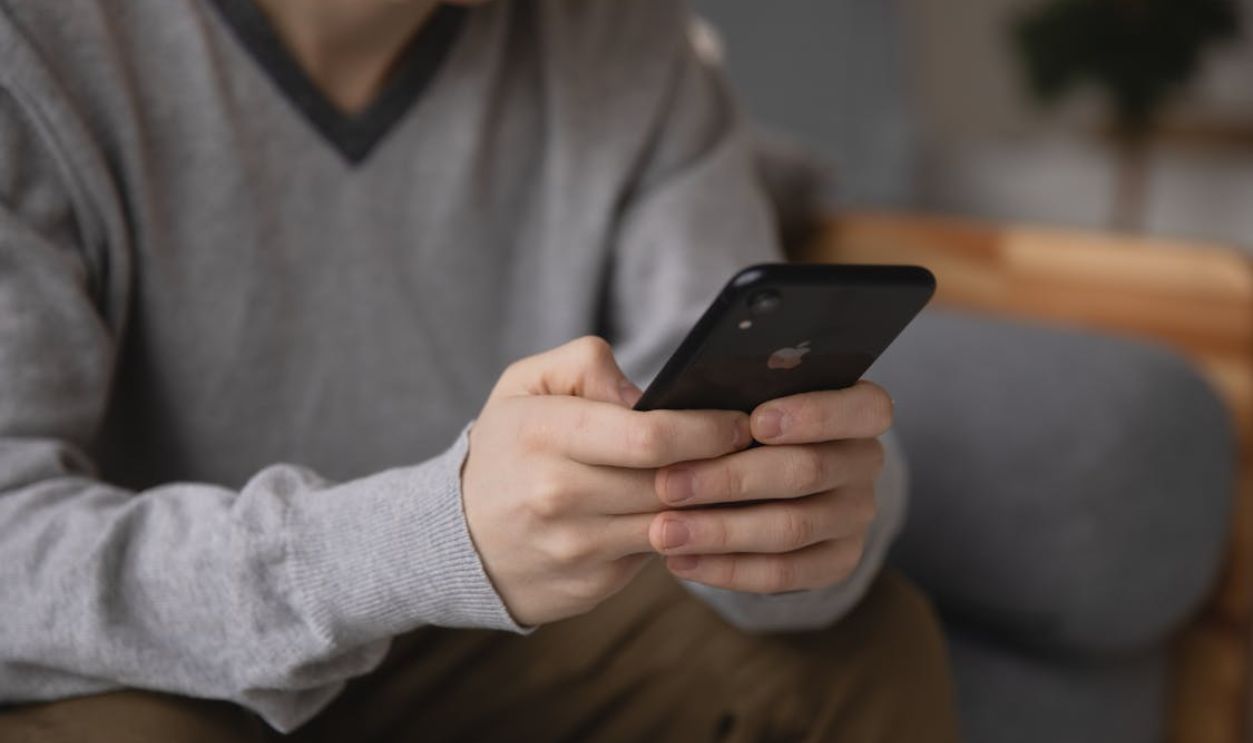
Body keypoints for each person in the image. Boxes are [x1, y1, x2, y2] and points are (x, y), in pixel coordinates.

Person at [0, 0, 959, 740]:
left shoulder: (625, 44)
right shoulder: (37, 51)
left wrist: (802, 525)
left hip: (483, 647)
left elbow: (735, 395)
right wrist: (425, 538)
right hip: (156, 658)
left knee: (863, 643)